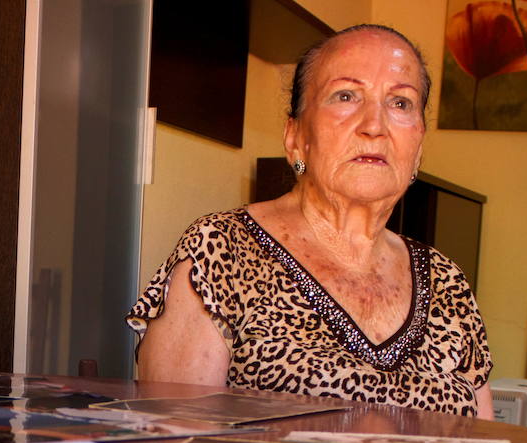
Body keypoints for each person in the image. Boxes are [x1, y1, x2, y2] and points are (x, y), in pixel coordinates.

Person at [129, 24, 494, 419]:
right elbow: (174, 442)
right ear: (295, 136)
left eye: (401, 103)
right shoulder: (221, 249)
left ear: (418, 145)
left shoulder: (447, 282)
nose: (375, 126)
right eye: (346, 96)